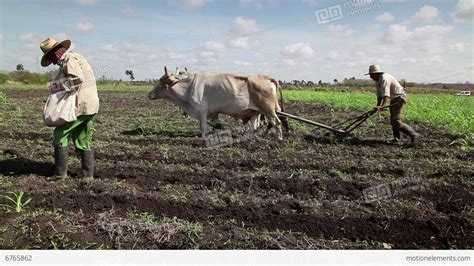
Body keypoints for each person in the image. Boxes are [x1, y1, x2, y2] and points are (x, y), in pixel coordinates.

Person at [40, 37, 99, 181]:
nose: (53, 61)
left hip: (80, 105)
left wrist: (56, 86)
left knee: (60, 135)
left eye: (51, 56)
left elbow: (77, 79)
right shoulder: (76, 57)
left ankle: (60, 174)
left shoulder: (70, 59)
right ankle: (88, 176)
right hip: (89, 106)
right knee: (82, 138)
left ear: (57, 52)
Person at [366, 64, 419, 147]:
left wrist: (382, 105)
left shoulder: (384, 78)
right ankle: (396, 139)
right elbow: (380, 95)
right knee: (393, 120)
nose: (370, 77)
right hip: (394, 98)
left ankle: (413, 135)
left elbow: (386, 95)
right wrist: (378, 106)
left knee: (396, 120)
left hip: (399, 97)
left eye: (371, 75)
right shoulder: (377, 81)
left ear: (376, 73)